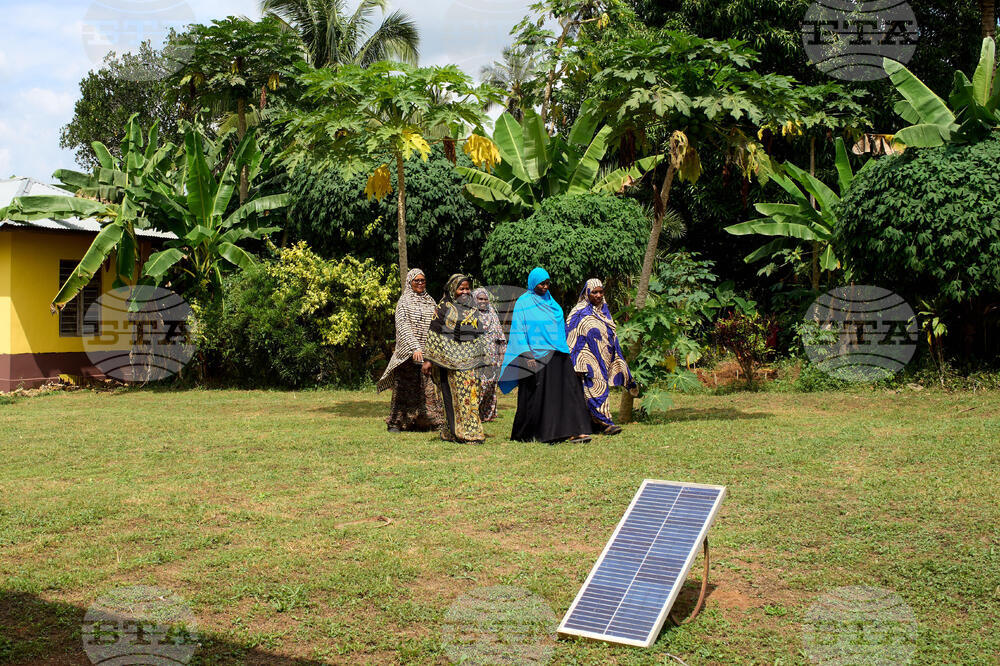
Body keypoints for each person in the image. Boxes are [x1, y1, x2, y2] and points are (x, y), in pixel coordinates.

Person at [498, 267, 593, 444]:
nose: (545, 287)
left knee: (569, 392)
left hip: (558, 354)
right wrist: (527, 355)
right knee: (540, 396)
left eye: (547, 283)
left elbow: (559, 328)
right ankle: (544, 433)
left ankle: (576, 431)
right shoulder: (523, 303)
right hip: (535, 356)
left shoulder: (553, 304)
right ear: (533, 282)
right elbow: (519, 330)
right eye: (542, 283)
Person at [566, 278, 637, 436]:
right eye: (594, 292)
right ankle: (606, 423)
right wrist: (577, 360)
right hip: (586, 360)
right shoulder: (578, 312)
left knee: (598, 390)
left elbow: (611, 335)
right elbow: (571, 335)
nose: (598, 295)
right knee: (596, 391)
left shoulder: (604, 311)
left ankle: (595, 424)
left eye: (600, 292)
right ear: (587, 293)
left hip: (603, 358)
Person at [377, 269, 444, 432]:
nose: (420, 283)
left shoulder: (430, 301)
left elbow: (436, 326)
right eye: (417, 281)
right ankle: (396, 422)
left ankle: (431, 422)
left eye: (423, 280)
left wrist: (430, 350)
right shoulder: (404, 301)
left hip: (426, 355)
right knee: (403, 390)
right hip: (407, 354)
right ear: (410, 282)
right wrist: (414, 347)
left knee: (428, 389)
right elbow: (403, 326)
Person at [424, 274, 487, 443]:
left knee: (471, 397)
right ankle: (457, 432)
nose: (465, 292)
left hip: (470, 362)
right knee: (454, 397)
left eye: (467, 288)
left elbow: (479, 334)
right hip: (449, 363)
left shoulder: (473, 308)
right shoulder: (443, 307)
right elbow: (434, 332)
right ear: (453, 289)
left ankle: (470, 431)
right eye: (461, 288)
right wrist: (428, 360)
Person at [472, 287, 506, 422]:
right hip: (477, 357)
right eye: (480, 299)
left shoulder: (492, 313)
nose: (483, 301)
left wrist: (502, 354)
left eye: (485, 299)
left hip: (493, 357)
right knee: (479, 385)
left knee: (491, 385)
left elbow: (500, 336)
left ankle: (487, 413)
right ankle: (474, 413)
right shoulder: (470, 314)